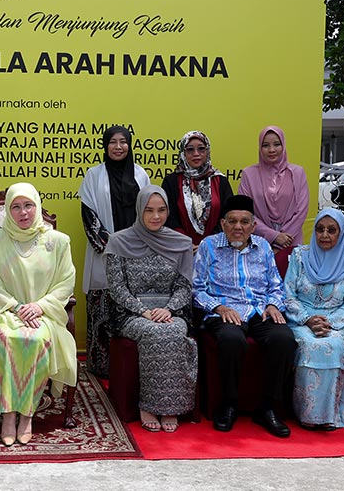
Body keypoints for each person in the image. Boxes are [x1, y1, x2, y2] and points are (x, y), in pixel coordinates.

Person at [0, 183, 77, 446]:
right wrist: (17, 307)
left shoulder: (58, 241)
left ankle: (27, 413)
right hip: (5, 311)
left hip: (44, 314)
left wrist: (39, 306)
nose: (23, 212)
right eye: (15, 207)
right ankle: (7, 414)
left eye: (28, 205)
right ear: (8, 210)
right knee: (2, 338)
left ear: (37, 206)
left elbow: (66, 282)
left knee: (35, 340)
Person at [193, 195, 296, 438]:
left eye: (244, 222)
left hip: (259, 310)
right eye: (232, 221)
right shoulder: (208, 246)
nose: (238, 227)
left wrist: (273, 305)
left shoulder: (263, 247)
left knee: (284, 340)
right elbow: (196, 289)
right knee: (231, 340)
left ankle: (268, 407)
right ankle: (229, 404)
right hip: (224, 311)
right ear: (222, 224)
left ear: (253, 225)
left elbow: (276, 286)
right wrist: (218, 308)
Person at [104, 185, 197, 433]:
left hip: (170, 312)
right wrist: (144, 311)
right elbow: (117, 288)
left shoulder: (180, 243)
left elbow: (184, 286)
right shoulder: (119, 241)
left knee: (175, 331)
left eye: (161, 210)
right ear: (139, 210)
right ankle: (149, 406)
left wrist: (168, 309)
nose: (156, 216)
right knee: (154, 332)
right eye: (149, 210)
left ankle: (170, 407)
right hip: (130, 313)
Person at [284, 208, 344, 430]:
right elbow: (287, 295)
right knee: (310, 344)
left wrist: (328, 323)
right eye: (320, 229)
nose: (324, 235)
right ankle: (306, 414)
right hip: (301, 320)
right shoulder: (299, 256)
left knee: (333, 344)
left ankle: (329, 415)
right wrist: (308, 319)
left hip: (335, 323)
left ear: (341, 234)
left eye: (332, 230)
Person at [79, 126, 150, 378]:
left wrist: (134, 243)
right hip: (104, 254)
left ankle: (131, 368)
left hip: (136, 252)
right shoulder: (93, 175)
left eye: (123, 142)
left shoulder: (141, 175)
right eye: (113, 142)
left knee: (133, 309)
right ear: (105, 145)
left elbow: (149, 213)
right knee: (102, 310)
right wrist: (110, 245)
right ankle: (101, 366)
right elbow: (89, 214)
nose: (118, 147)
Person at [237, 126, 309, 276]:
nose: (271, 149)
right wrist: (274, 236)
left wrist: (285, 239)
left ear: (283, 145)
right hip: (257, 243)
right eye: (265, 145)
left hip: (292, 242)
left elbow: (301, 210)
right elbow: (245, 213)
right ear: (259, 148)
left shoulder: (297, 173)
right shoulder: (249, 174)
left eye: (277, 144)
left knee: (289, 289)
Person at [162, 130, 233, 250]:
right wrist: (186, 242)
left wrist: (208, 243)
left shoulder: (220, 181)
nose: (196, 154)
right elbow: (169, 217)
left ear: (207, 151)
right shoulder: (172, 181)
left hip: (216, 248)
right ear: (183, 153)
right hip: (181, 248)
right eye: (190, 149)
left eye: (201, 149)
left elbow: (228, 215)